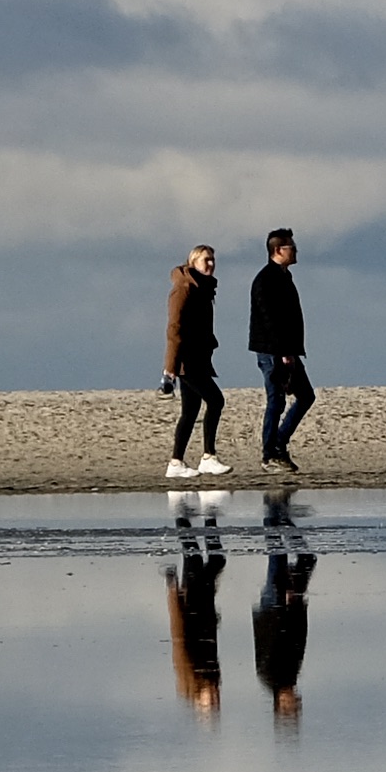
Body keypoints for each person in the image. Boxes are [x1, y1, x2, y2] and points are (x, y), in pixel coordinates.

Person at [250, 226, 317, 476]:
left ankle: (279, 443)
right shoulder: (266, 279)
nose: (296, 250)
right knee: (276, 400)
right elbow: (269, 320)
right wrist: (283, 353)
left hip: (287, 350)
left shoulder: (283, 276)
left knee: (305, 396)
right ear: (278, 250)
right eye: (292, 246)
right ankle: (269, 454)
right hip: (272, 351)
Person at [160, 244, 226, 482]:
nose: (210, 264)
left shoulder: (204, 289)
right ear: (193, 262)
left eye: (212, 260)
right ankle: (208, 456)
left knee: (190, 411)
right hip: (187, 360)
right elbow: (174, 329)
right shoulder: (184, 288)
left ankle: (176, 462)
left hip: (199, 358)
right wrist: (170, 368)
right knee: (216, 401)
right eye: (205, 260)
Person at [163, 519, 226, 715]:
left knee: (204, 559)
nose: (215, 696)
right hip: (204, 606)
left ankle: (184, 515)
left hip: (191, 603)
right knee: (200, 559)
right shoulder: (211, 676)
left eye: (211, 701)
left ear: (199, 699)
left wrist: (173, 592)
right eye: (216, 701)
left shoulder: (188, 672)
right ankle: (198, 517)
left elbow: (178, 632)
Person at [253, 524, 313, 727]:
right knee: (303, 559)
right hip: (285, 607)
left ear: (278, 703)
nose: (294, 699)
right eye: (295, 704)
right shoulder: (289, 676)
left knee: (278, 559)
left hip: (274, 608)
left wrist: (285, 607)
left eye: (289, 704)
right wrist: (297, 607)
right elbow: (299, 638)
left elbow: (273, 637)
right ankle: (280, 519)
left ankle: (274, 516)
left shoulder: (272, 675)